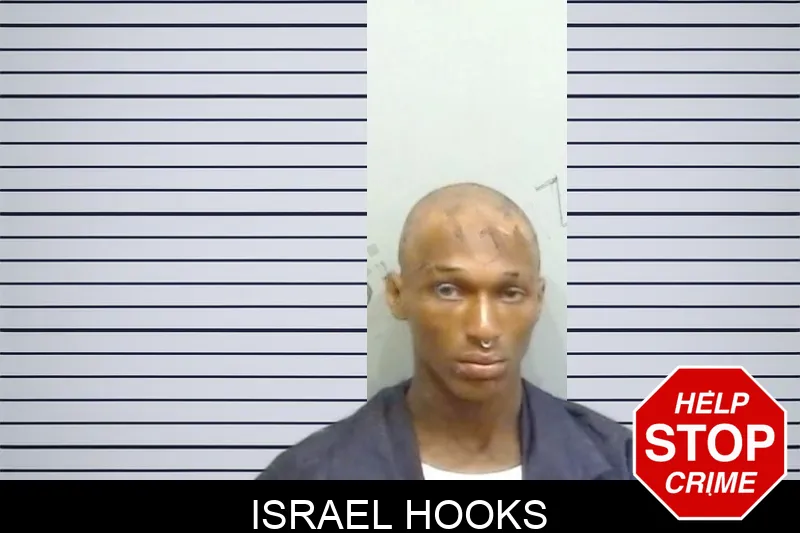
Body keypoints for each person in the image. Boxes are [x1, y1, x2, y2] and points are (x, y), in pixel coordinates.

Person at [256, 182, 633, 480]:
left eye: (509, 293)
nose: (483, 327)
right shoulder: (309, 477)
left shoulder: (625, 467)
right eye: (448, 290)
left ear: (538, 299)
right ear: (397, 295)